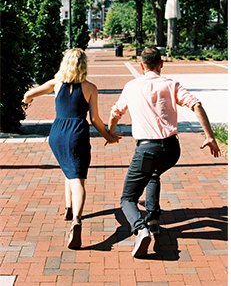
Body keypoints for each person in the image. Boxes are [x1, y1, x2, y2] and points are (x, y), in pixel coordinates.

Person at [107, 47, 221, 257]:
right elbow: (196, 104)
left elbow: (115, 113)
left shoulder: (131, 86)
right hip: (171, 149)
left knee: (127, 198)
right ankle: (153, 220)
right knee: (153, 174)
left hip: (147, 150)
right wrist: (210, 136)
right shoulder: (171, 84)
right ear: (161, 64)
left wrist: (111, 134)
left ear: (141, 66)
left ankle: (140, 229)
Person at [23, 48, 121, 249]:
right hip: (77, 133)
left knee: (68, 170)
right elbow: (94, 119)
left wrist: (28, 99)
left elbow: (29, 94)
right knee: (78, 179)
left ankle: (69, 208)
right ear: (83, 66)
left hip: (57, 134)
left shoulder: (56, 84)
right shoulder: (90, 87)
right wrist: (109, 137)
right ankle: (77, 219)